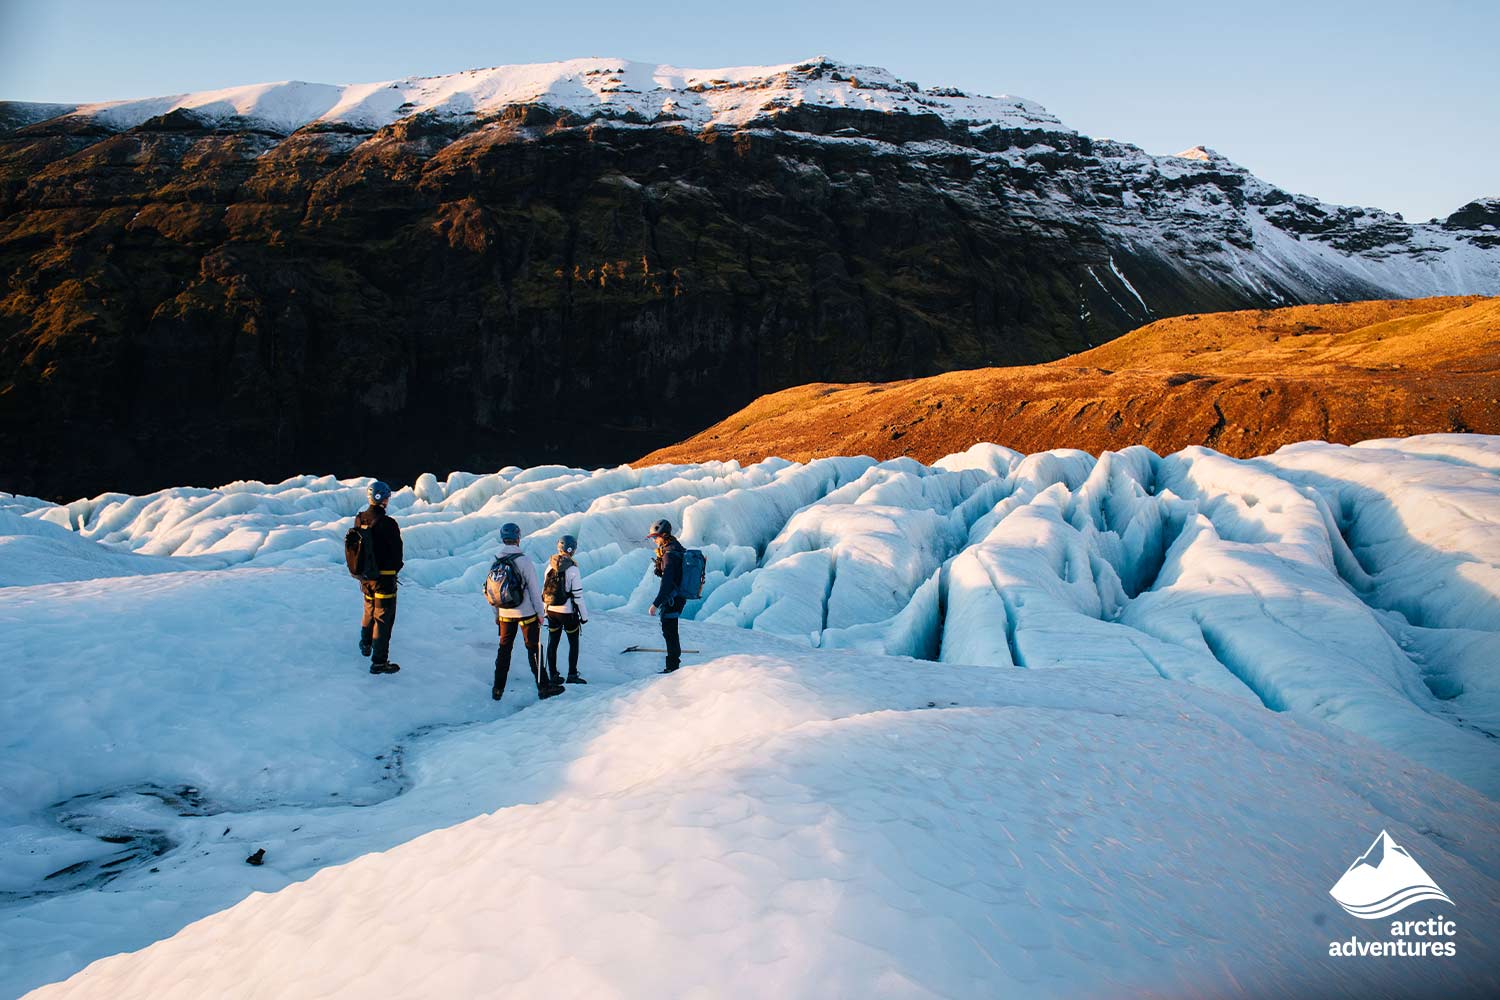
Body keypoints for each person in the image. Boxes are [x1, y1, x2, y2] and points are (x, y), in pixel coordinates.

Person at [488, 522, 561, 701]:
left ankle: (497, 689)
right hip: (525, 612)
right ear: (518, 538)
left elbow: (492, 590)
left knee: (504, 649)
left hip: (505, 613)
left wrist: (497, 615)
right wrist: (540, 613)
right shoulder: (523, 560)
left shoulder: (495, 560)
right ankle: (543, 687)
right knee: (533, 649)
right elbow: (535, 590)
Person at [355, 480, 403, 675]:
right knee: (383, 619)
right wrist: (395, 570)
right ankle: (379, 662)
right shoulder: (388, 523)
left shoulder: (359, 519)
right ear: (383, 498)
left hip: (365, 577)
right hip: (384, 580)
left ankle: (366, 644)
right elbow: (397, 553)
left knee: (369, 610)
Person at [543, 534, 589, 686]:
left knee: (553, 642)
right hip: (567, 612)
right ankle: (572, 674)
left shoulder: (549, 565)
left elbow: (545, 591)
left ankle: (553, 675)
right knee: (573, 642)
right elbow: (578, 595)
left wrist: (545, 611)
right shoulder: (573, 569)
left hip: (551, 611)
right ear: (572, 550)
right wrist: (584, 616)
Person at [647, 518, 687, 674]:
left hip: (672, 598)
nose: (654, 540)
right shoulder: (676, 548)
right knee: (671, 630)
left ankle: (672, 667)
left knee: (670, 631)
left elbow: (667, 584)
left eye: (656, 537)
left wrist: (655, 604)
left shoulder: (669, 554)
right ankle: (673, 664)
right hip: (677, 597)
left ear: (664, 535)